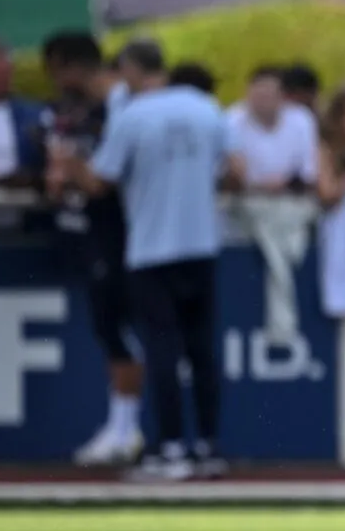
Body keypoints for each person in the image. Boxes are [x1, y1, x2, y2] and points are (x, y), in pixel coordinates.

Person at [59, 39, 243, 481]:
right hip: (200, 243)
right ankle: (209, 446)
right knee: (201, 349)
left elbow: (100, 182)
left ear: (132, 69)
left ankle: (170, 449)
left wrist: (68, 163)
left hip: (152, 248)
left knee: (162, 348)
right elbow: (237, 171)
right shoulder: (205, 107)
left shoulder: (133, 116)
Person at [41, 32, 144, 466]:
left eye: (56, 71)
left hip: (121, 231)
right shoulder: (72, 111)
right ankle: (120, 425)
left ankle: (127, 427)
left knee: (121, 329)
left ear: (72, 66)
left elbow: (107, 179)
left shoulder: (122, 107)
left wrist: (74, 168)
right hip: (87, 229)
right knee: (107, 328)